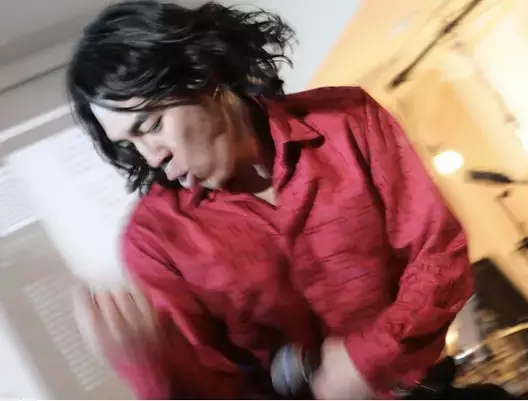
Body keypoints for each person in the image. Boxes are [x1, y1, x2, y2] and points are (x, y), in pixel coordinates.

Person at [67, 0, 473, 399]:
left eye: (152, 125)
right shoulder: (153, 241)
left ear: (205, 76)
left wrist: (366, 359)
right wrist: (152, 368)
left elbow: (439, 254)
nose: (151, 156)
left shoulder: (347, 120)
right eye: (130, 144)